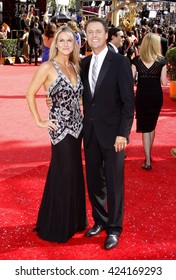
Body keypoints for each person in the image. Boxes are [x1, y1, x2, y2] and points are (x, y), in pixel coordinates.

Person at [26, 26, 87, 243]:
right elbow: (29, 93)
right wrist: (39, 120)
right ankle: (58, 224)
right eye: (61, 41)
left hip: (78, 128)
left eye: (69, 41)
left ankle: (73, 220)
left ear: (75, 44)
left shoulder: (75, 66)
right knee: (63, 172)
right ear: (55, 43)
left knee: (74, 173)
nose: (65, 45)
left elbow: (78, 99)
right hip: (60, 130)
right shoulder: (47, 67)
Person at [81, 17, 134, 250]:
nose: (93, 35)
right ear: (86, 36)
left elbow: (128, 102)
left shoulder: (120, 62)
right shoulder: (84, 63)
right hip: (90, 133)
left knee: (114, 183)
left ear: (106, 35)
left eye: (98, 31)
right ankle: (100, 221)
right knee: (94, 181)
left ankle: (114, 228)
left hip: (114, 136)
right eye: (90, 31)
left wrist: (123, 133)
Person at [131, 33, 167, 170]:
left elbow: (130, 81)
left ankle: (147, 159)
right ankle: (148, 156)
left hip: (142, 96)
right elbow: (164, 82)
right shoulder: (161, 61)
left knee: (146, 127)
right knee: (151, 125)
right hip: (156, 96)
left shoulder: (136, 61)